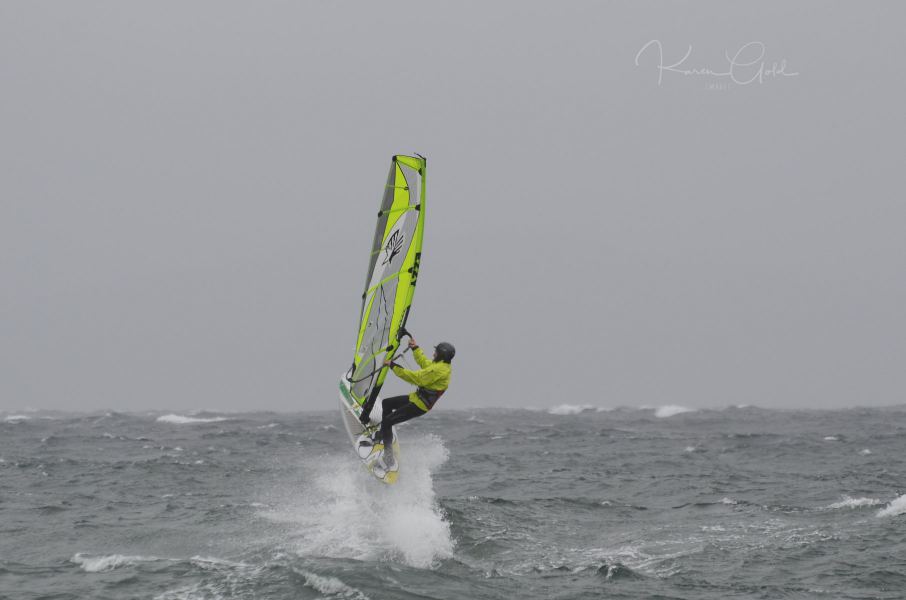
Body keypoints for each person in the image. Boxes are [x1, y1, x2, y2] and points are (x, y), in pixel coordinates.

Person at [358, 337, 454, 468]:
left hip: (419, 405)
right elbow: (425, 363)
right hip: (416, 398)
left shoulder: (440, 370)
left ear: (441, 355)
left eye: (436, 352)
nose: (433, 354)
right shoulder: (440, 365)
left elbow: (416, 378)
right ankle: (383, 435)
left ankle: (388, 458)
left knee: (387, 422)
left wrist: (393, 366)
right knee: (386, 403)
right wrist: (415, 348)